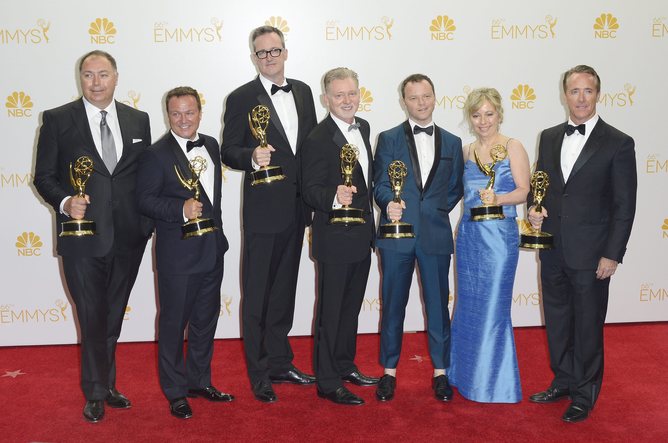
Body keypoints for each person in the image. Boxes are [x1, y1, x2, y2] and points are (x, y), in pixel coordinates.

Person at [33, 50, 152, 423]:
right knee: (92, 314)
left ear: (116, 77)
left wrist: (149, 223)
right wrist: (66, 202)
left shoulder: (138, 119)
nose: (96, 82)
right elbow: (44, 176)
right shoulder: (57, 120)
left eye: (103, 74)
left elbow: (143, 176)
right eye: (88, 75)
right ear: (79, 78)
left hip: (129, 236)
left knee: (113, 315)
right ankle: (96, 391)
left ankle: (108, 383)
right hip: (82, 236)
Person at [528, 65, 637, 423]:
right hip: (553, 247)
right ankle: (562, 380)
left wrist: (612, 254)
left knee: (588, 324)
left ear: (598, 94)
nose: (581, 98)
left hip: (593, 254)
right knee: (558, 319)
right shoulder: (548, 136)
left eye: (588, 91)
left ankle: (584, 392)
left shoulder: (618, 142)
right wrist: (534, 209)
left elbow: (624, 205)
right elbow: (539, 187)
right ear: (564, 95)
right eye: (574, 91)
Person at [221, 25, 318, 403]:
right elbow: (229, 149)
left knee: (284, 290)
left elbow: (310, 147)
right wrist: (250, 156)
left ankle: (280, 361)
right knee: (258, 292)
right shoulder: (242, 97)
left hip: (298, 207)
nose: (270, 57)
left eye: (275, 50)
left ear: (285, 52)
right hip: (263, 210)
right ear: (253, 57)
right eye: (262, 53)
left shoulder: (306, 92)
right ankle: (258, 372)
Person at [136, 87, 233, 419]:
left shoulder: (211, 144)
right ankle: (175, 391)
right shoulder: (155, 154)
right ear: (167, 115)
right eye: (176, 114)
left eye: (189, 112)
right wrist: (181, 208)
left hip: (211, 249)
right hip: (177, 255)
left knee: (205, 322)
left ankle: (199, 381)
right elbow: (144, 200)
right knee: (174, 325)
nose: (183, 120)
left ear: (200, 113)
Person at [373, 74, 464, 402]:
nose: (421, 103)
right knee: (393, 305)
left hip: (436, 236)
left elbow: (454, 190)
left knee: (439, 307)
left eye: (426, 96)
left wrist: (434, 213)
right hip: (396, 236)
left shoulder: (453, 142)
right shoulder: (388, 138)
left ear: (435, 97)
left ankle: (441, 372)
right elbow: (380, 183)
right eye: (414, 98)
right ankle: (388, 372)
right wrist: (389, 203)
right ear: (403, 101)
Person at [301, 67, 380, 406]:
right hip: (334, 236)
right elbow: (309, 190)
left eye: (351, 93)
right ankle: (327, 380)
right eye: (339, 95)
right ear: (326, 99)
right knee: (331, 311)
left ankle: (345, 364)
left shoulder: (363, 127)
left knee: (350, 309)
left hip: (362, 235)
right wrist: (335, 197)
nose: (347, 100)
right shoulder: (318, 138)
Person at [448, 87, 530, 403]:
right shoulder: (466, 151)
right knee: (468, 305)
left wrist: (499, 197)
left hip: (499, 237)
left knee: (493, 307)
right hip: (469, 237)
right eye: (476, 114)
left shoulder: (513, 146)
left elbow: (524, 190)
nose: (483, 121)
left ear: (499, 114)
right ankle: (463, 374)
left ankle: (492, 382)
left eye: (489, 114)